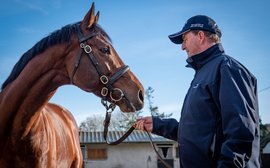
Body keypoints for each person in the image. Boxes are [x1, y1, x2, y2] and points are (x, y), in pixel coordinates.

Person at [134, 15, 260, 168]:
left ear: (200, 36)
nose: (182, 47)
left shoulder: (227, 68)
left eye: (184, 39)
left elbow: (241, 130)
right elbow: (198, 132)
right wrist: (158, 125)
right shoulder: (203, 74)